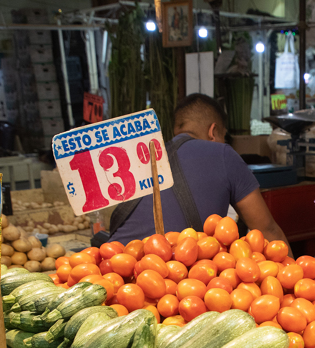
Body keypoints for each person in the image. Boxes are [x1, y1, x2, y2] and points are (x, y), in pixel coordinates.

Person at [107, 94, 289, 246]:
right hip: (170, 274)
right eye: (223, 136)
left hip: (113, 267)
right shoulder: (223, 154)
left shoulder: (147, 159)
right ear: (213, 131)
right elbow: (267, 230)